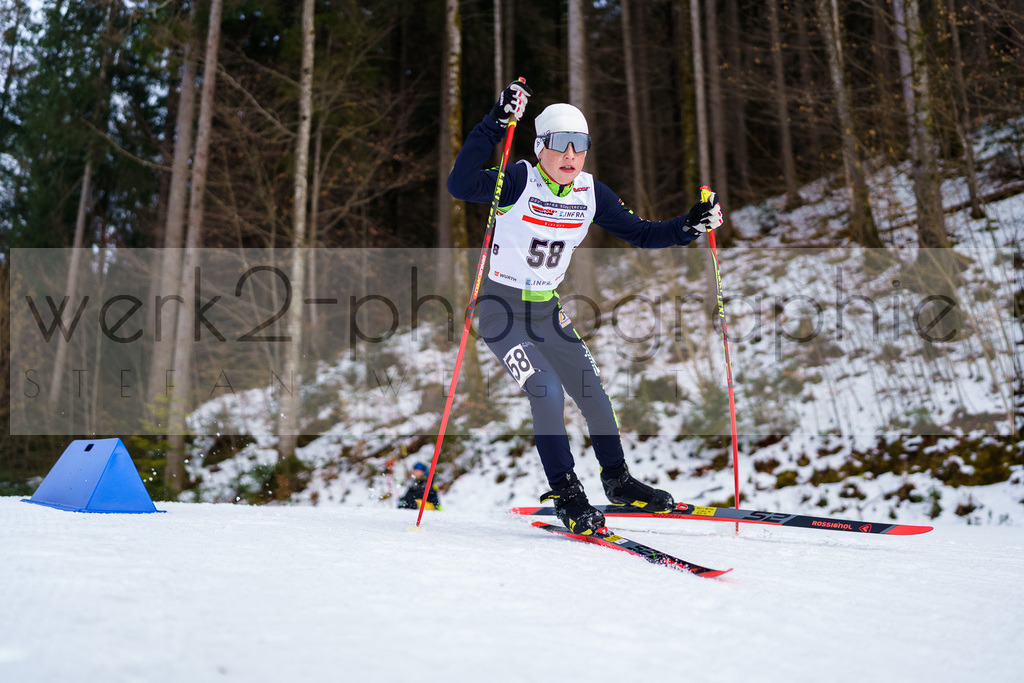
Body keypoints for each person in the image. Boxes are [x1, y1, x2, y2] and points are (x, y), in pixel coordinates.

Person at [446, 81, 723, 535]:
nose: (571, 155)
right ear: (540, 148)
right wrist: (494, 124)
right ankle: (567, 492)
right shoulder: (517, 180)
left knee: (591, 389)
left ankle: (617, 481)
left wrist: (690, 225)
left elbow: (643, 233)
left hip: (546, 311)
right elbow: (460, 184)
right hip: (500, 310)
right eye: (560, 145)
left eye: (581, 145)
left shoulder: (591, 193)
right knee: (547, 390)